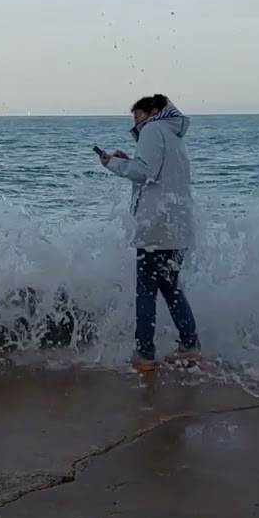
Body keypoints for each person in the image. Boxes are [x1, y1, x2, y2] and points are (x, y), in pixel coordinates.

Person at [100, 94, 201, 372]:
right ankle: (190, 346)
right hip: (178, 226)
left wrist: (114, 164)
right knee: (171, 288)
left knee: (146, 290)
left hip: (156, 227)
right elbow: (154, 169)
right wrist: (130, 160)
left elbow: (144, 173)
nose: (137, 124)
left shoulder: (153, 129)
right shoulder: (173, 134)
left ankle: (144, 354)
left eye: (137, 117)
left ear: (153, 111)